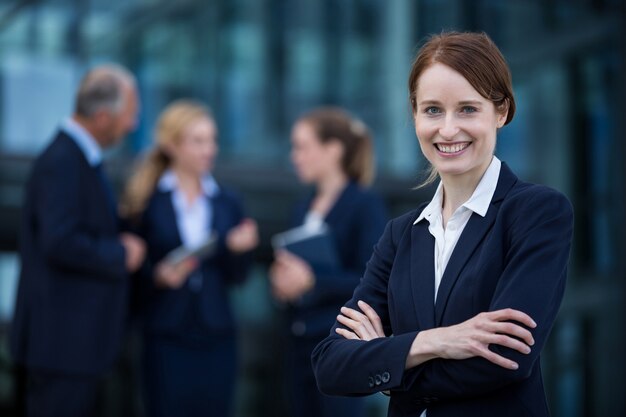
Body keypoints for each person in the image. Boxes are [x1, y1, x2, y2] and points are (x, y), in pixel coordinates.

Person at [311, 32, 574, 417]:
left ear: (501, 112)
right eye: (432, 110)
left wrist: (388, 360)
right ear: (415, 115)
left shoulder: (536, 213)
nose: (448, 130)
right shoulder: (401, 235)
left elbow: (504, 357)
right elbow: (330, 366)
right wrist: (437, 341)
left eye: (468, 109)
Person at [9, 64, 146, 417]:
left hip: (73, 348)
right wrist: (119, 254)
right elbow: (60, 240)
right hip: (62, 348)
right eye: (129, 115)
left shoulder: (79, 158)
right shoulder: (62, 161)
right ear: (102, 116)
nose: (132, 125)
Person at [121, 99, 259, 417]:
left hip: (216, 334)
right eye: (198, 141)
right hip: (166, 333)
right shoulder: (146, 201)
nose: (209, 149)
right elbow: (129, 271)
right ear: (172, 145)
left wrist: (240, 251)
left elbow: (239, 276)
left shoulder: (228, 202)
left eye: (212, 140)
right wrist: (156, 275)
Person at [269, 107, 387, 417]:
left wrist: (311, 280)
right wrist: (283, 283)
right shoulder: (302, 207)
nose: (295, 156)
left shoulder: (364, 205)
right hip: (298, 343)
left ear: (333, 150)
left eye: (302, 147)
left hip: (340, 347)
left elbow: (372, 281)